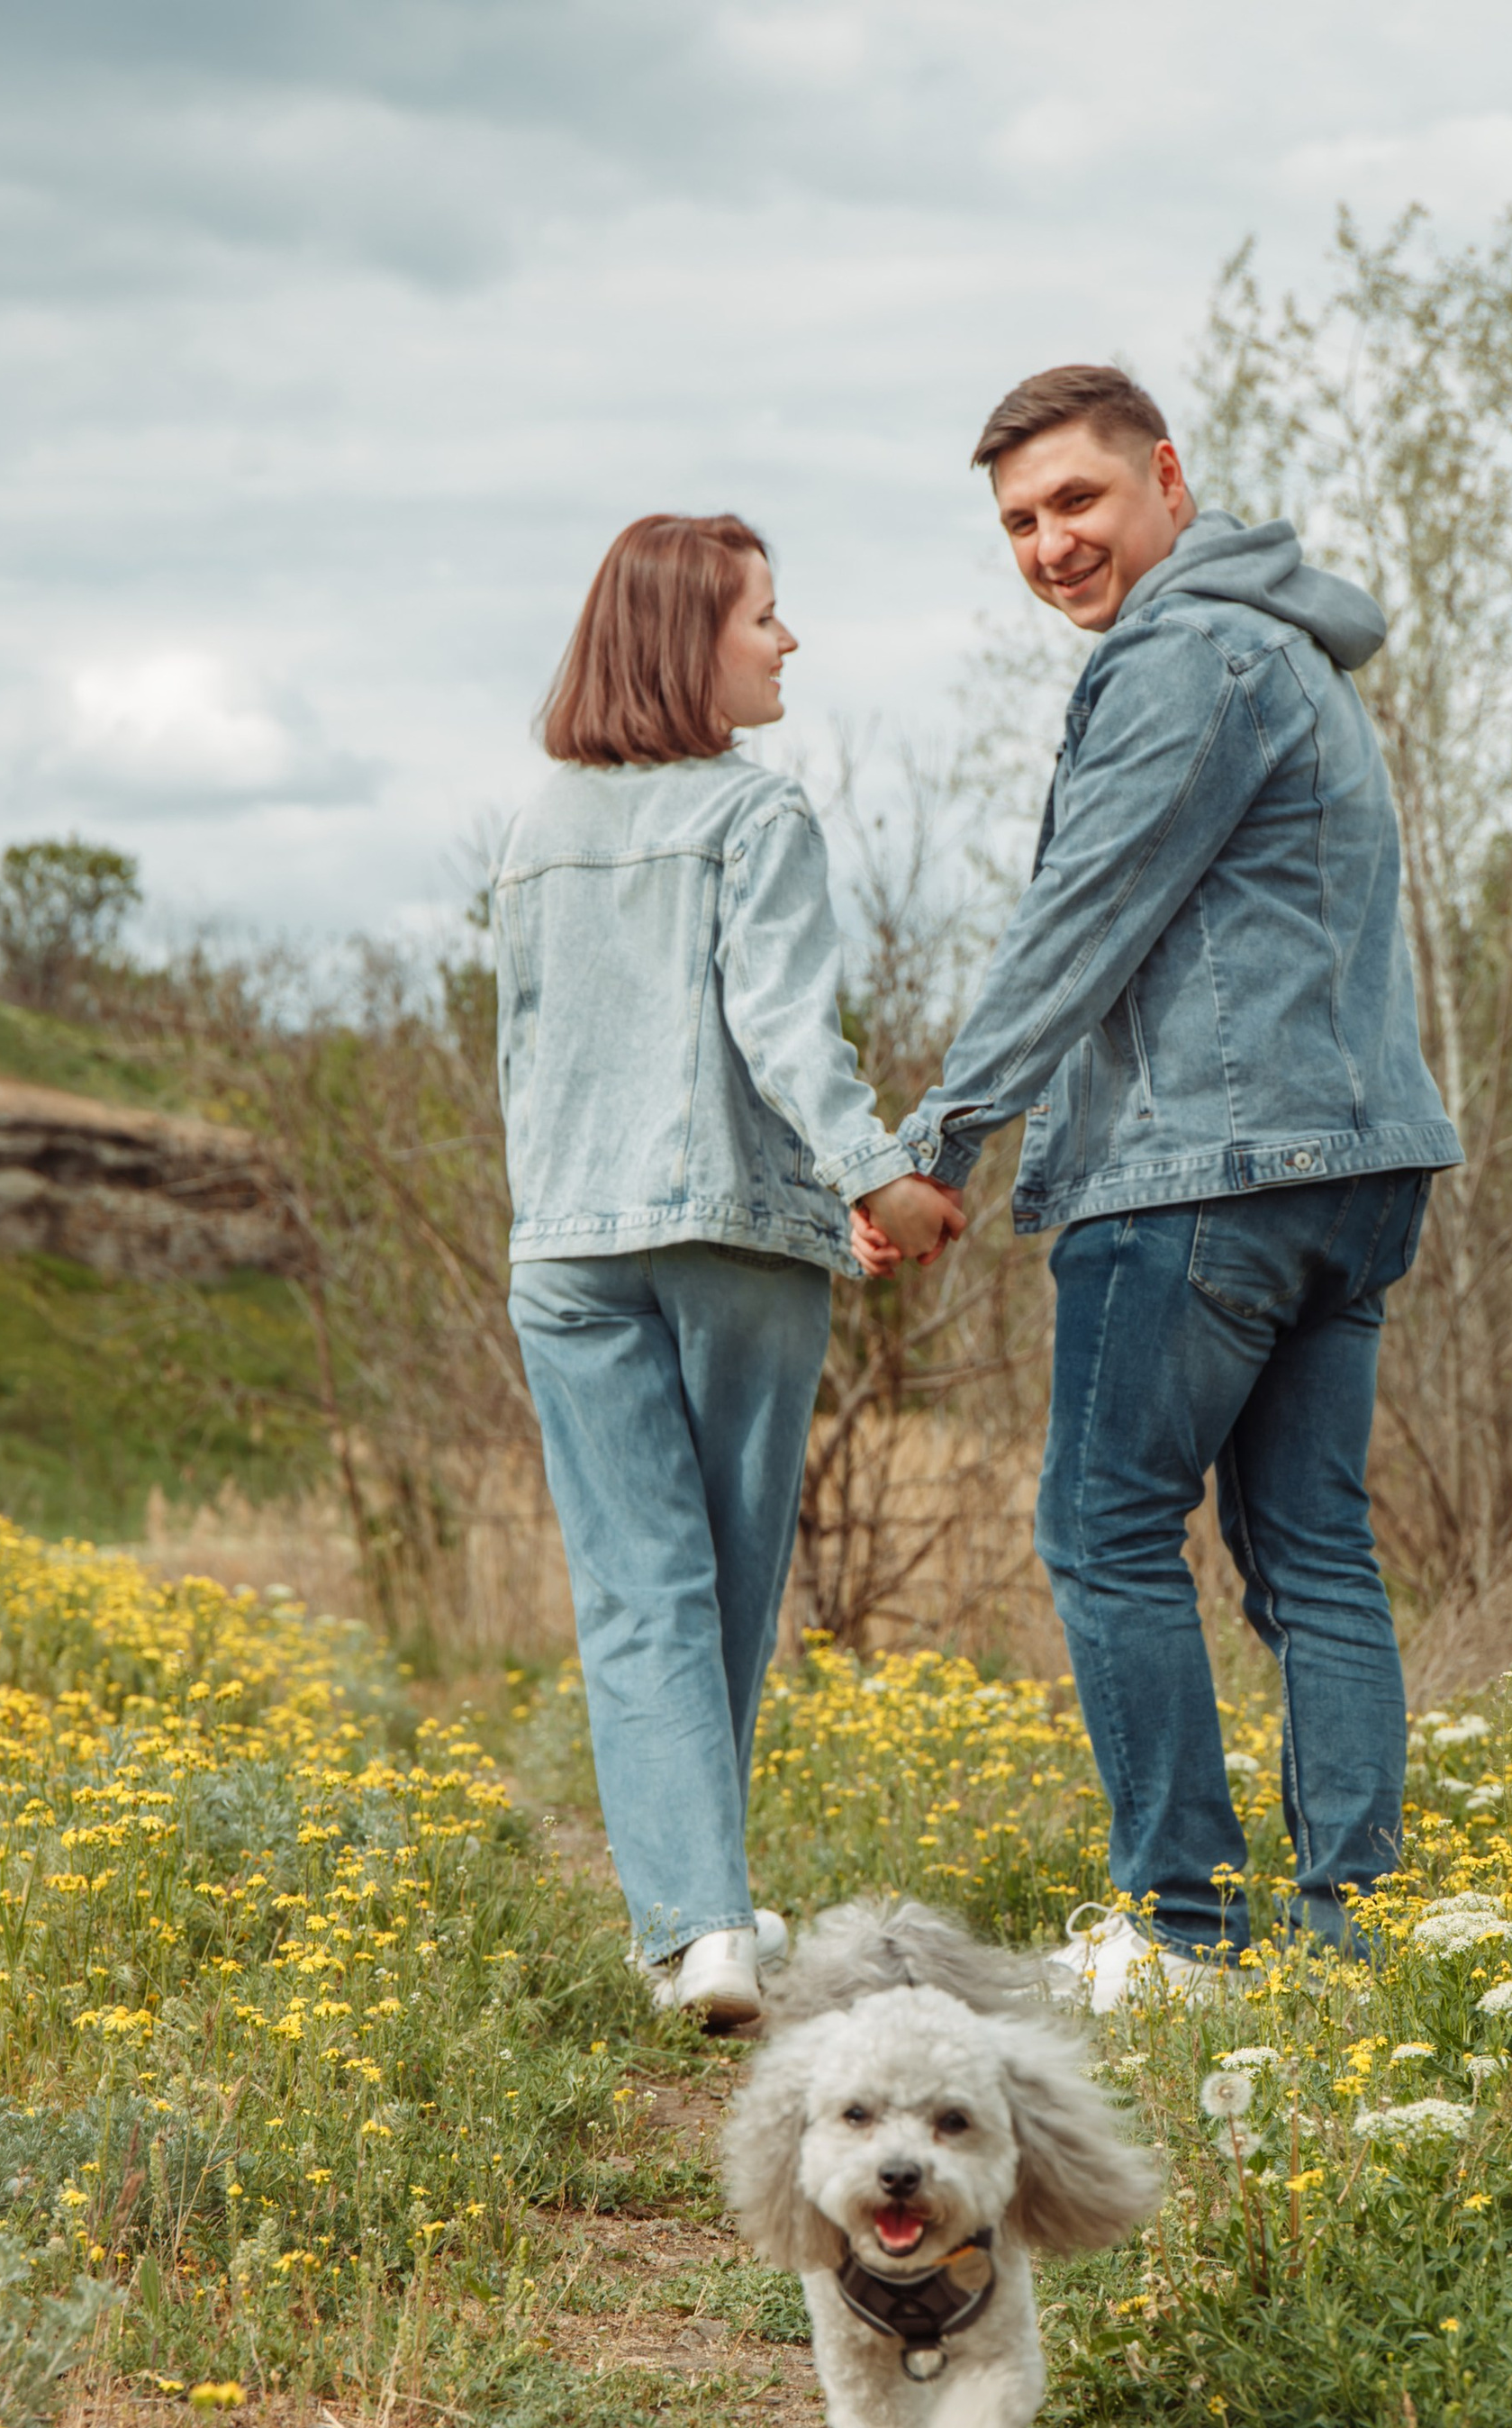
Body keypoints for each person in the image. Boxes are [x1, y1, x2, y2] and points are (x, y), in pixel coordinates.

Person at [856, 367, 1462, 2010]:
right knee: (1312, 1551)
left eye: (1079, 501)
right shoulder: (1295, 653)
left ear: (1167, 478)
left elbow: (1083, 915)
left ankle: (1187, 1937)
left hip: (1210, 1172)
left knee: (1106, 1530)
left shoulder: (1185, 656)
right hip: (1357, 1169)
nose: (1052, 545)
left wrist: (938, 1142)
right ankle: (1355, 1939)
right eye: (1020, 523)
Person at [494, 512, 944, 2026]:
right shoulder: (757, 817)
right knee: (728, 1582)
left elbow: (520, 1060)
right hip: (733, 1234)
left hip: (565, 1243)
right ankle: (709, 1924)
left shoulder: (535, 826)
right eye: (766, 614)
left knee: (636, 1596)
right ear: (691, 641)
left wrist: (546, 1214)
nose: (788, 639)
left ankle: (702, 1926)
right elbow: (782, 1031)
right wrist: (871, 1169)